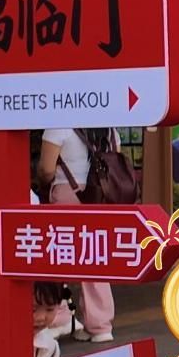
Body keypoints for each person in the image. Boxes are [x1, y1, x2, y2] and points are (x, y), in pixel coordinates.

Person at [38, 127, 116, 341]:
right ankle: (100, 326)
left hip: (68, 194)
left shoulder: (58, 126)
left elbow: (46, 170)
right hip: (99, 195)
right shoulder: (109, 128)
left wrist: (43, 182)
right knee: (94, 257)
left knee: (56, 256)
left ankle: (58, 316)